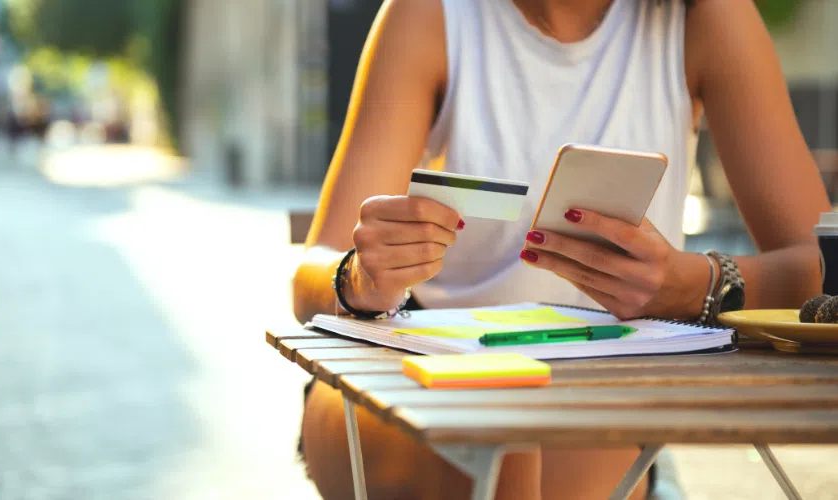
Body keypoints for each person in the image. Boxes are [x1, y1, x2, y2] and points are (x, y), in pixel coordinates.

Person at [291, 0, 830, 498]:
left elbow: (823, 273)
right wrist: (360, 276)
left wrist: (693, 285)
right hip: (427, 373)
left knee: (539, 436)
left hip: (602, 395)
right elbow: (309, 277)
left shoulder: (705, 18)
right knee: (509, 438)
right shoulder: (431, 15)